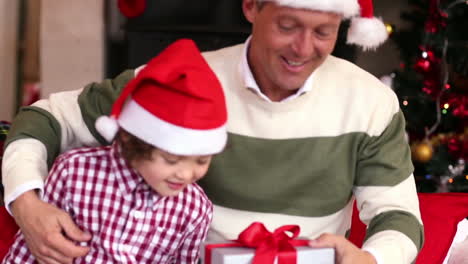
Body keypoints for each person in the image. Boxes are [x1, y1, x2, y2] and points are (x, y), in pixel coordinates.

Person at [2, 0, 424, 263]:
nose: (302, 49)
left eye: (322, 32)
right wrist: (26, 202)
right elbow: (46, 118)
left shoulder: (369, 101)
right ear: (251, 7)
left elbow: (398, 215)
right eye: (288, 25)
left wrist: (373, 258)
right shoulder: (180, 78)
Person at [2, 39, 227, 263]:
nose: (186, 174)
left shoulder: (194, 208)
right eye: (171, 159)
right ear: (131, 140)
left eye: (201, 161)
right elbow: (27, 253)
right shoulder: (73, 174)